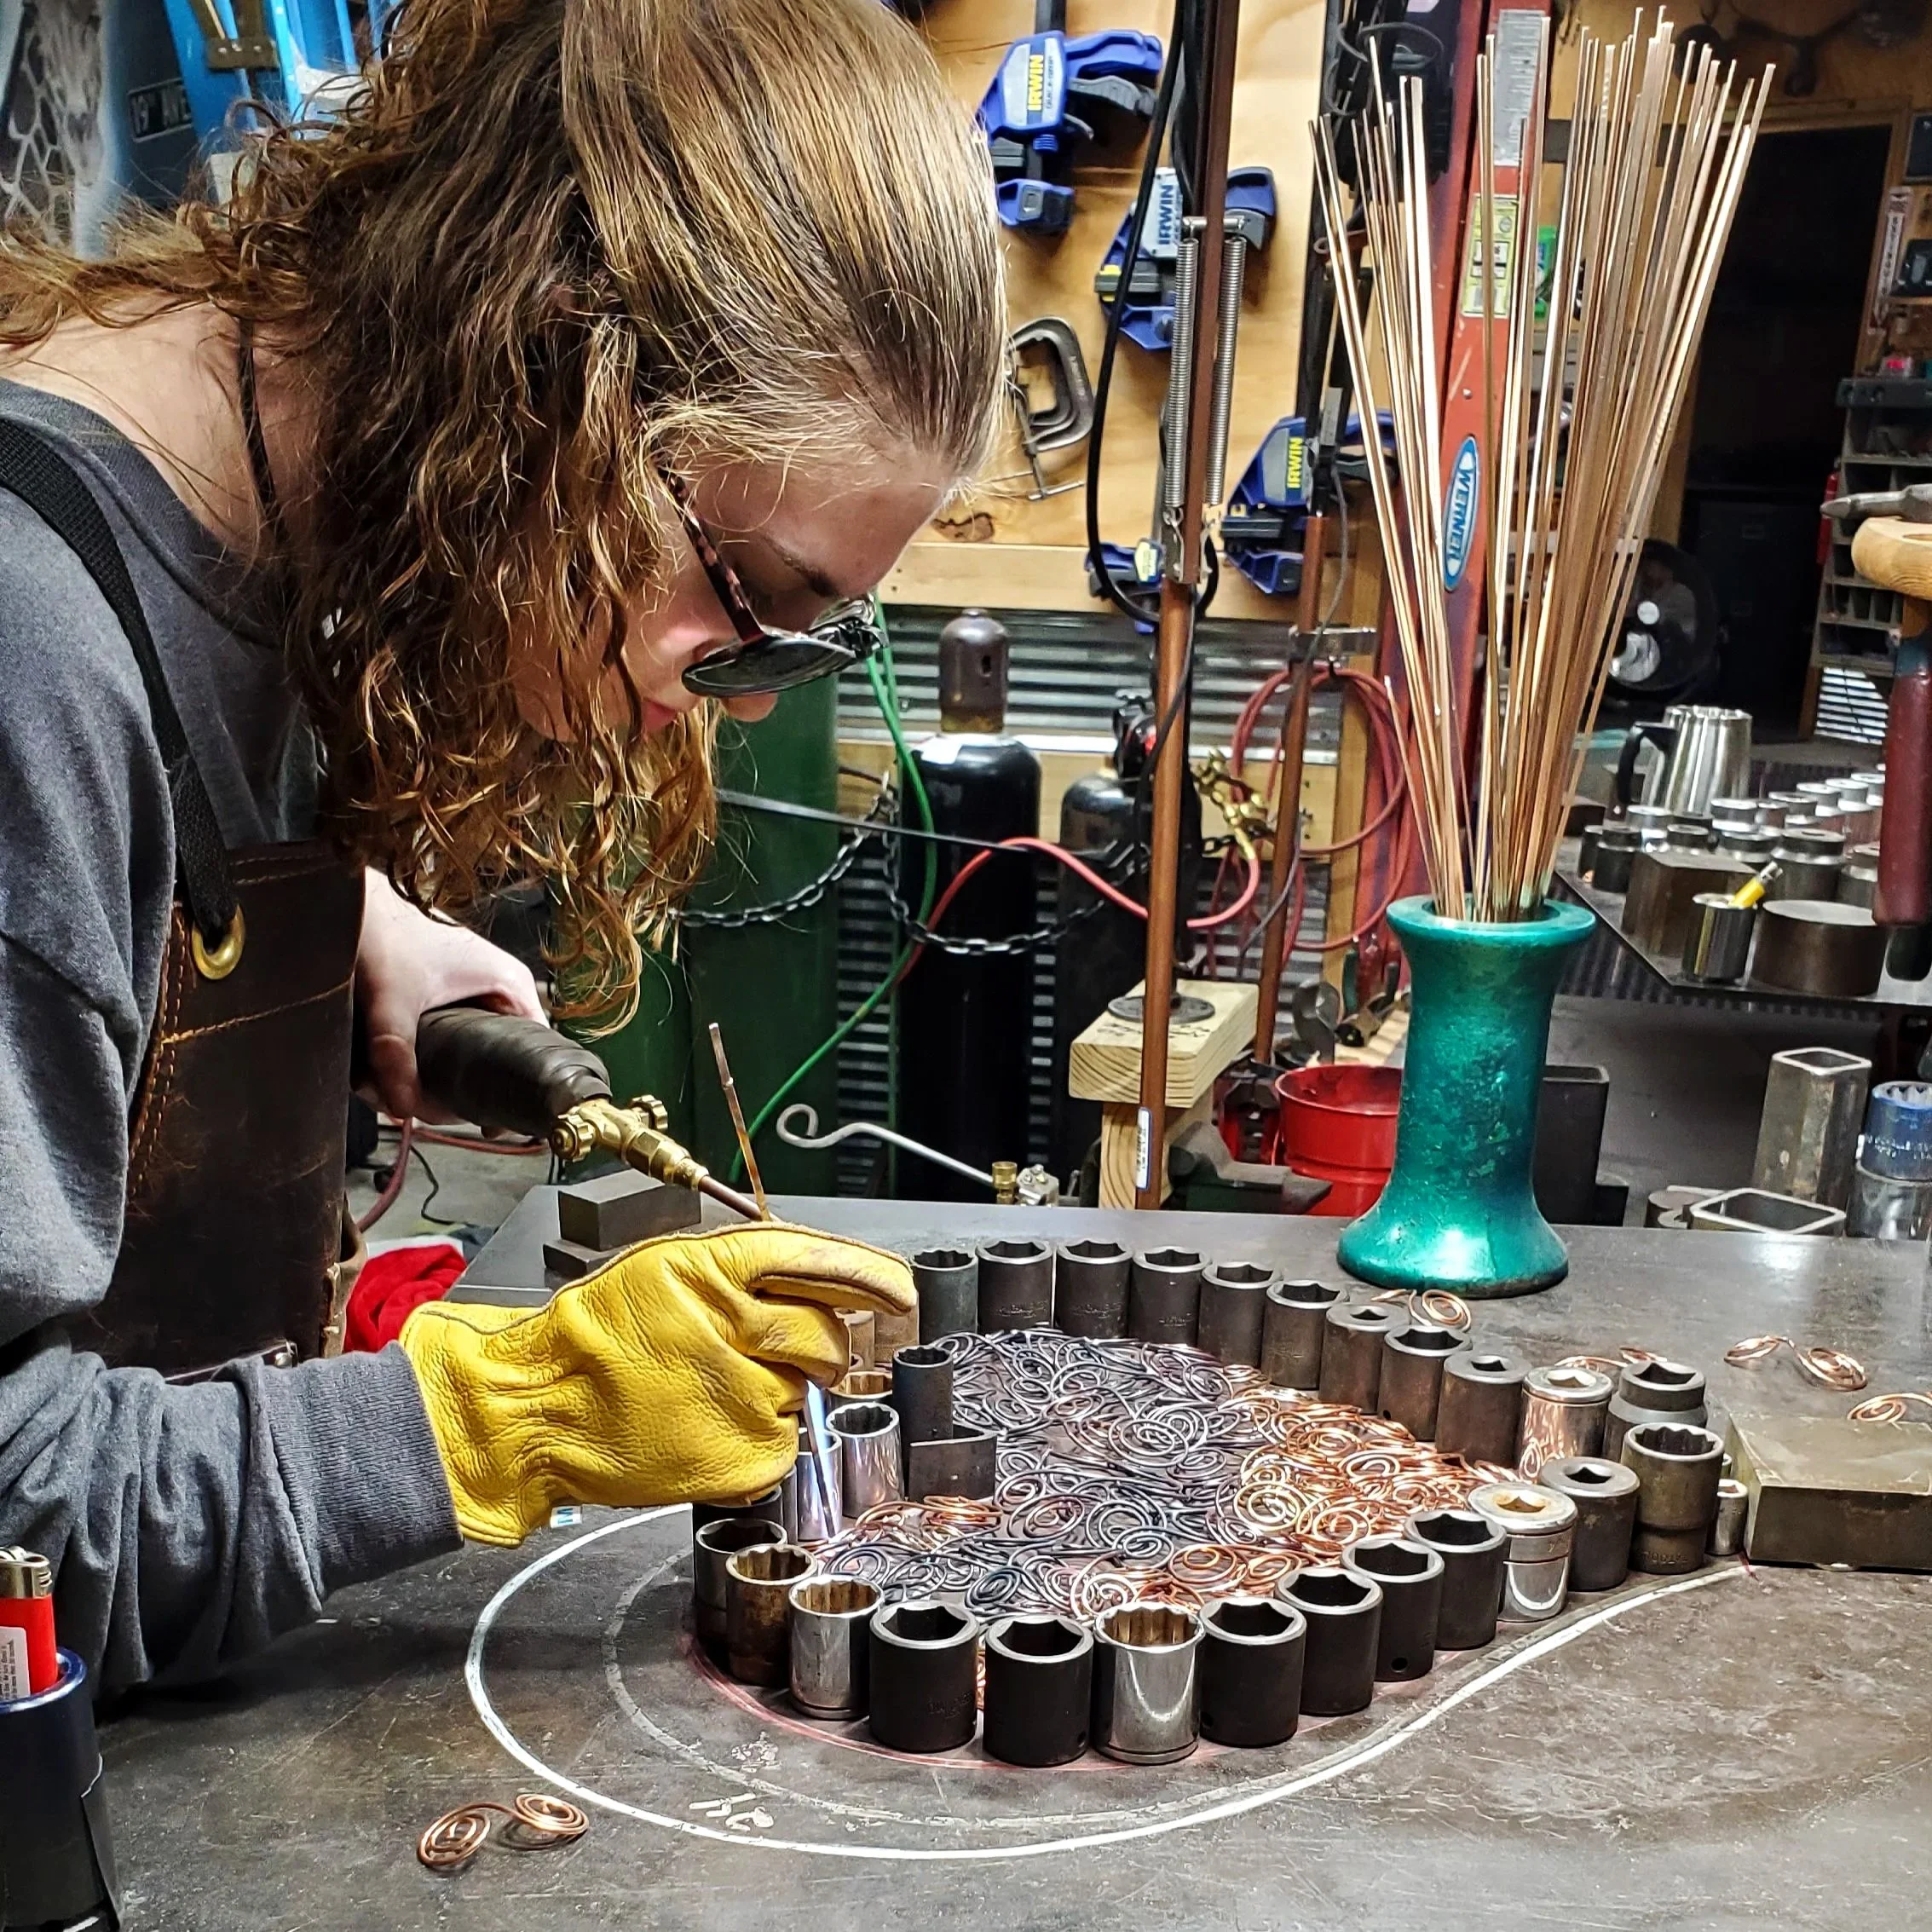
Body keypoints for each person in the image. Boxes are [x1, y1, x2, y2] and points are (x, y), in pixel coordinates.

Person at [0, 0, 1003, 1693]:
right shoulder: (28, 654)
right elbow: (12, 1530)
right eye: (746, 604)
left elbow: (113, 839)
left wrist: (343, 916)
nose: (740, 701)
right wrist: (506, 1409)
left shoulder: (283, 511)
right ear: (548, 366)